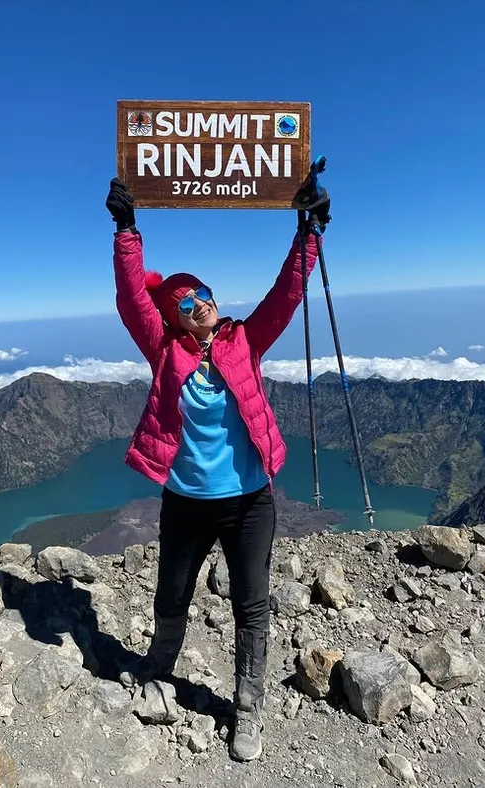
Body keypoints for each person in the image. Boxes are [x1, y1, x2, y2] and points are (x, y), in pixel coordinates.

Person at [105, 176, 324, 762]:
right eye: (185, 301)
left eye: (201, 292)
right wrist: (127, 232)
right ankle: (159, 675)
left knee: (251, 604)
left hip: (251, 499)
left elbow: (286, 295)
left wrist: (309, 233)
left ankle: (247, 711)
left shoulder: (244, 341)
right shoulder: (165, 350)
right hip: (186, 501)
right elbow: (132, 300)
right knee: (172, 595)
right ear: (173, 321)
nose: (200, 301)